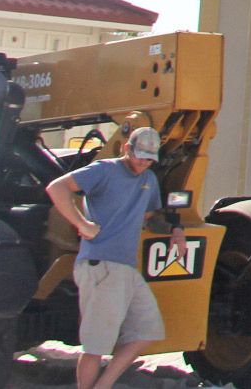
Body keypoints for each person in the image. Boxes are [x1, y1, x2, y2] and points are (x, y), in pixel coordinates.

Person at [44, 127, 188, 389]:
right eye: (139, 155)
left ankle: (104, 384)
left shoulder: (149, 180)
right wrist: (82, 224)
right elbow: (57, 188)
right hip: (101, 266)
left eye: (149, 158)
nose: (142, 162)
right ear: (126, 148)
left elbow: (150, 220)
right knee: (95, 346)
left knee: (148, 330)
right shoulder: (104, 170)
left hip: (126, 269)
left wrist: (176, 231)